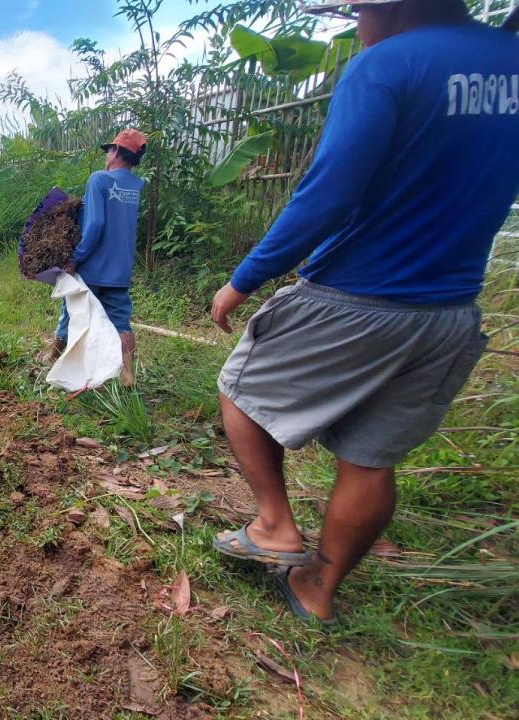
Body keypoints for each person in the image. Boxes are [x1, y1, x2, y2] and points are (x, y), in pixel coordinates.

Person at [209, 0, 519, 625]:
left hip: (357, 293)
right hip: (450, 310)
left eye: (357, 12)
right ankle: (317, 589)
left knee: (239, 392)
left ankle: (273, 524)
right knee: (373, 458)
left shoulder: (386, 66)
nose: (355, 27)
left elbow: (328, 193)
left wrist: (244, 280)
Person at [42, 129, 147, 387]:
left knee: (70, 311)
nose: (107, 155)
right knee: (120, 320)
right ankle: (127, 374)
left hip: (92, 267)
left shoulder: (99, 180)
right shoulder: (136, 186)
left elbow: (96, 224)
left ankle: (52, 356)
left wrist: (76, 258)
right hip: (120, 270)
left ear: (116, 152)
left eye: (110, 150)